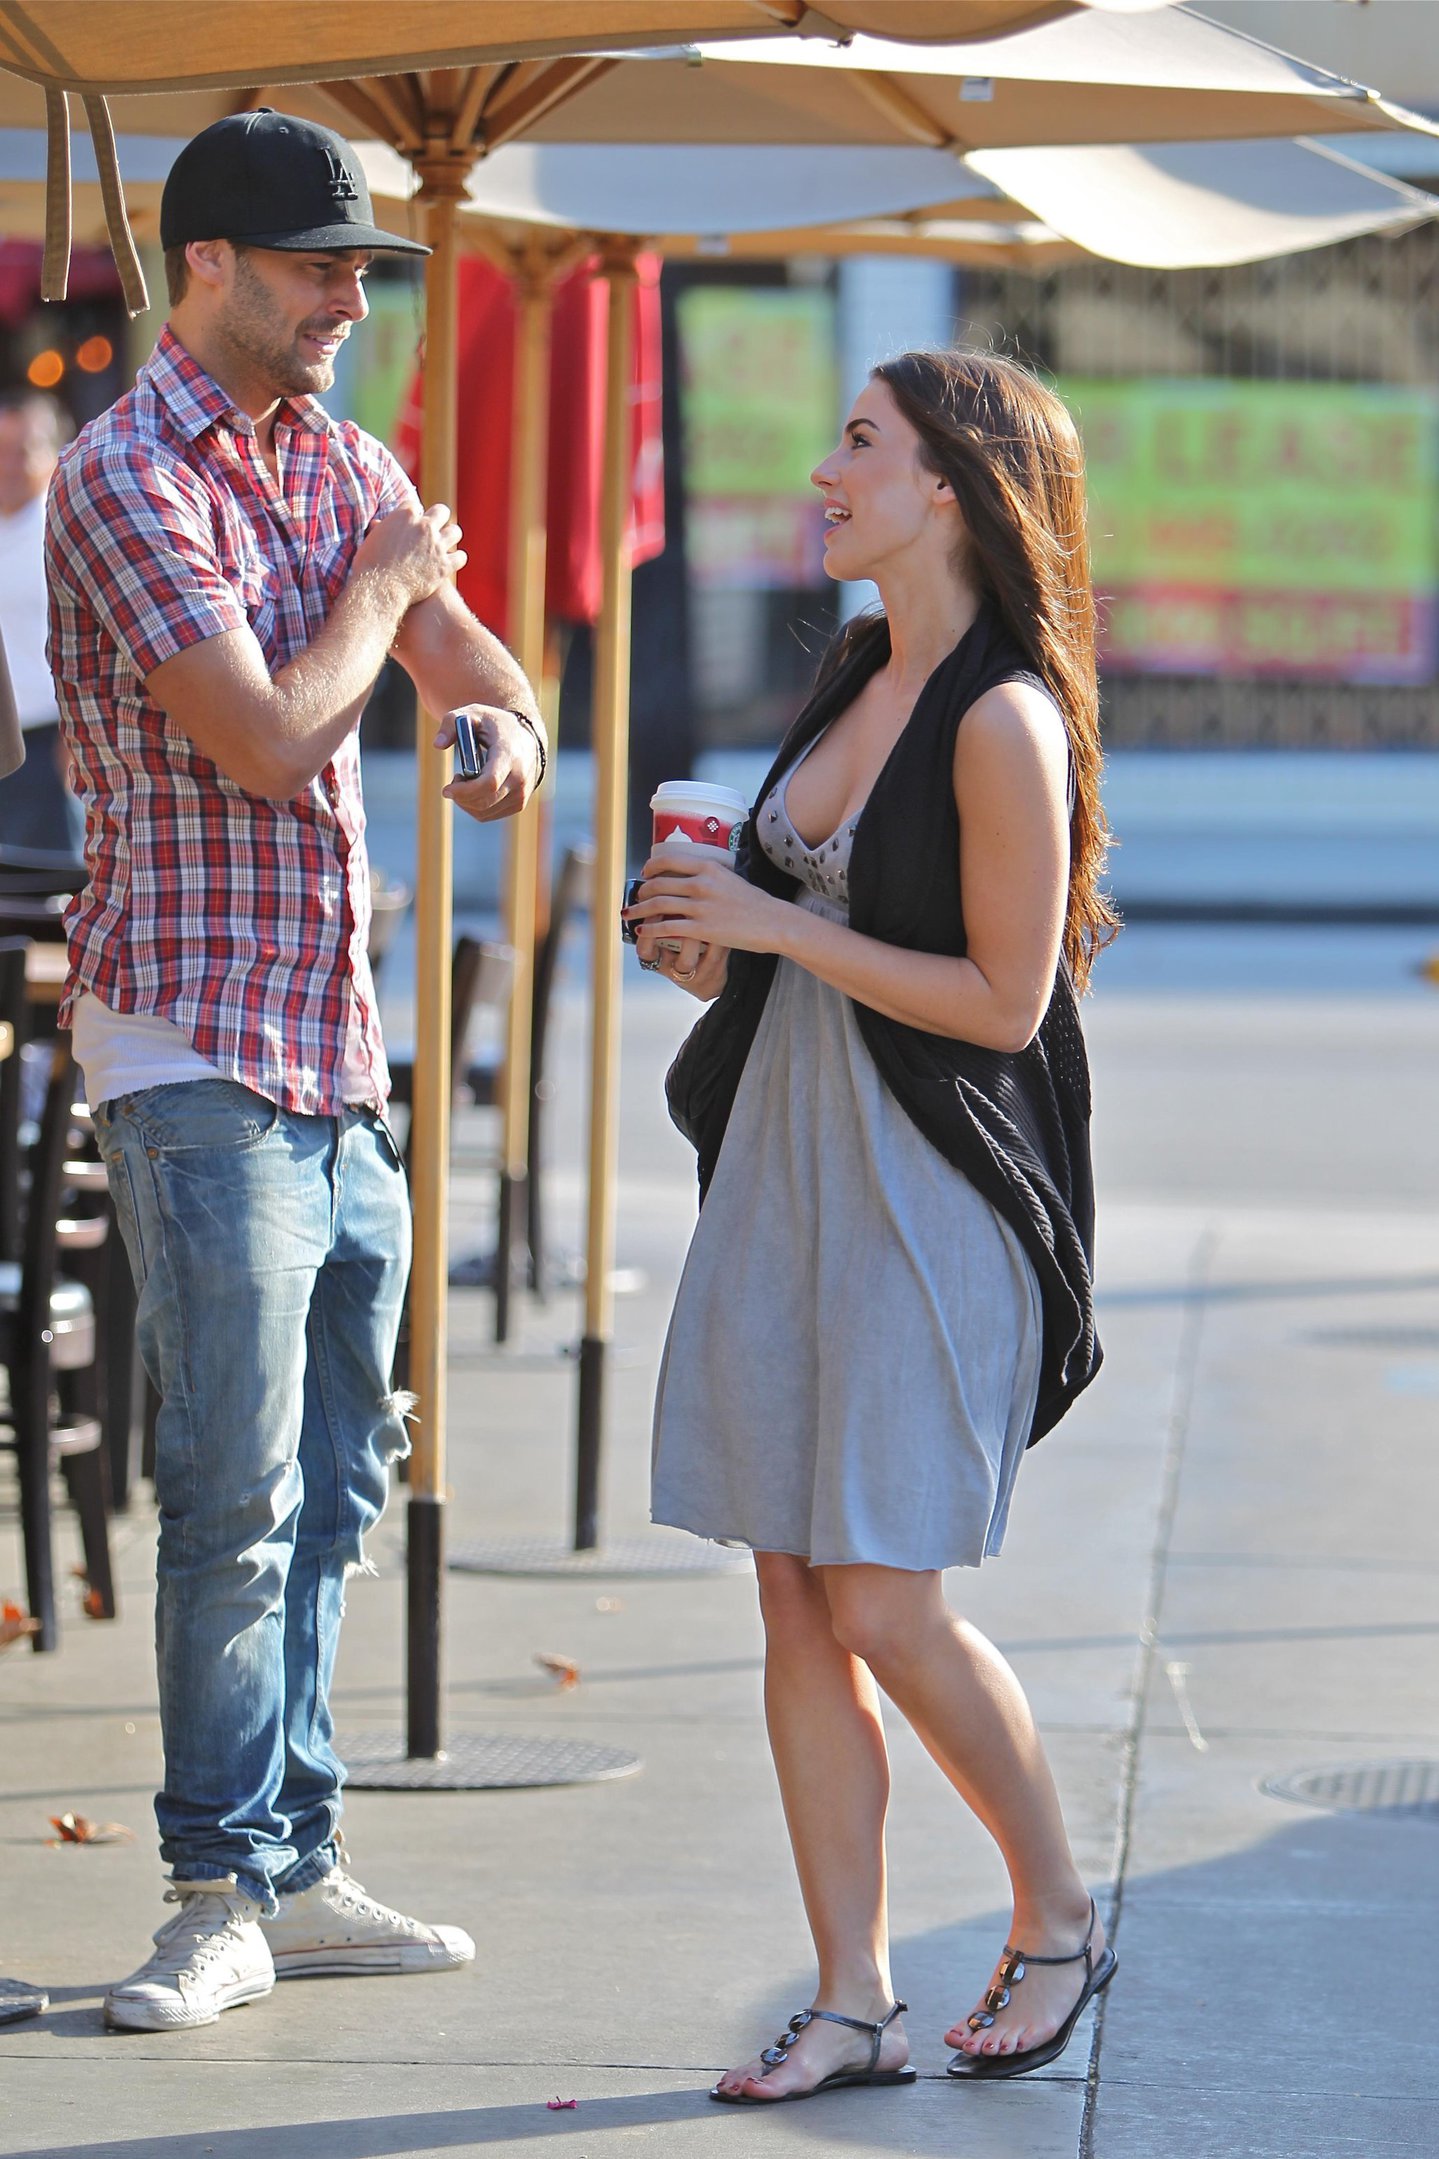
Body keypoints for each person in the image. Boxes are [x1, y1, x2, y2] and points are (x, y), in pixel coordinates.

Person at [45, 110, 547, 2035]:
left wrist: (490, 723)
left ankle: (302, 1856)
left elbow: (464, 658)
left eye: (361, 269)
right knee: (229, 1487)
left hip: (336, 1050)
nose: (353, 298)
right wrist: (380, 590)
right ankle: (208, 1885)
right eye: (321, 265)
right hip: (193, 1046)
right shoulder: (124, 475)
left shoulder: (333, 456)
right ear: (212, 269)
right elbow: (266, 734)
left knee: (345, 1471)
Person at [628, 348, 1115, 2100]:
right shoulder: (852, 673)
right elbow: (783, 939)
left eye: (857, 443)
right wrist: (699, 936)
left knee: (882, 1597)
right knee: (788, 1586)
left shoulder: (1002, 719)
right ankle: (849, 1996)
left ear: (950, 489)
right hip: (783, 1170)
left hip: (928, 1197)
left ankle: (1053, 1911)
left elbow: (999, 999)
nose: (824, 471)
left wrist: (775, 925)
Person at [0, 390, 79, 855]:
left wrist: (74, 740)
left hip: (48, 743)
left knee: (45, 899)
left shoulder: (66, 531)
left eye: (21, 452)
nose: (8, 466)